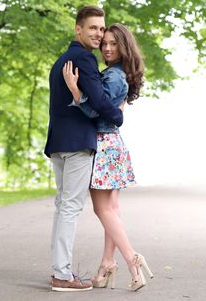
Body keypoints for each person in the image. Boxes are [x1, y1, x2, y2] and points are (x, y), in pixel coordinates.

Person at [63, 23, 154, 291]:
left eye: (113, 43)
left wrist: (75, 90)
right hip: (112, 143)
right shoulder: (119, 74)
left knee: (102, 209)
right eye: (105, 43)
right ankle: (106, 264)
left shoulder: (113, 77)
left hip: (103, 144)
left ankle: (132, 259)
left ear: (124, 46)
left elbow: (95, 112)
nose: (107, 48)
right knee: (112, 210)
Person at [44, 6, 124, 292]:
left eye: (101, 29)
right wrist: (118, 116)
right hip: (78, 143)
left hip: (58, 141)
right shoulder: (84, 59)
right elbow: (101, 99)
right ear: (78, 28)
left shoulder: (61, 60)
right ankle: (62, 275)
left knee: (61, 205)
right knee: (70, 207)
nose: (98, 34)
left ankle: (58, 268)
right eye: (93, 28)